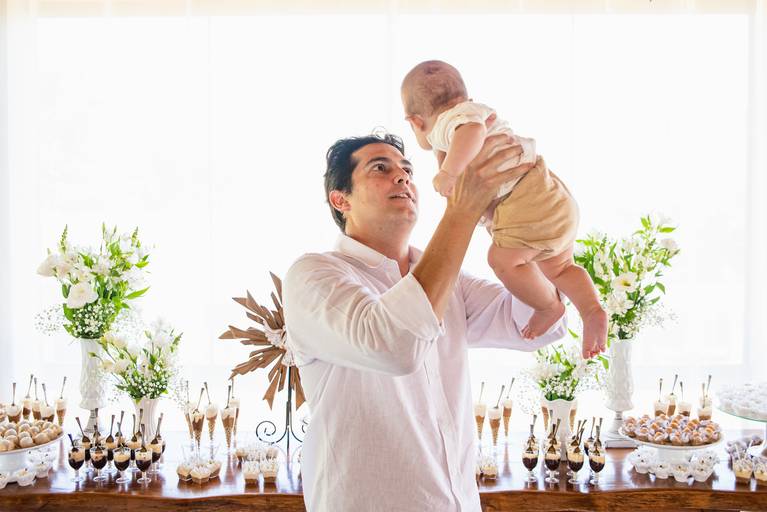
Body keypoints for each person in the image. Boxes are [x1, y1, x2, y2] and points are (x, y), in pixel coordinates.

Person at [282, 131, 568, 511]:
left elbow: (536, 325)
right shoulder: (312, 276)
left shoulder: (450, 282)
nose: (402, 176)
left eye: (407, 169)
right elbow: (393, 345)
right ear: (341, 200)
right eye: (380, 168)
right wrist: (461, 212)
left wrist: (528, 220)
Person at [401, 60, 607, 358]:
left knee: (501, 260)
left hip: (526, 202)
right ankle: (591, 309)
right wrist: (447, 166)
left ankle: (549, 306)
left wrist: (448, 172)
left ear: (415, 122)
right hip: (551, 196)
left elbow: (471, 132)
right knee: (560, 267)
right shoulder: (471, 112)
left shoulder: (449, 123)